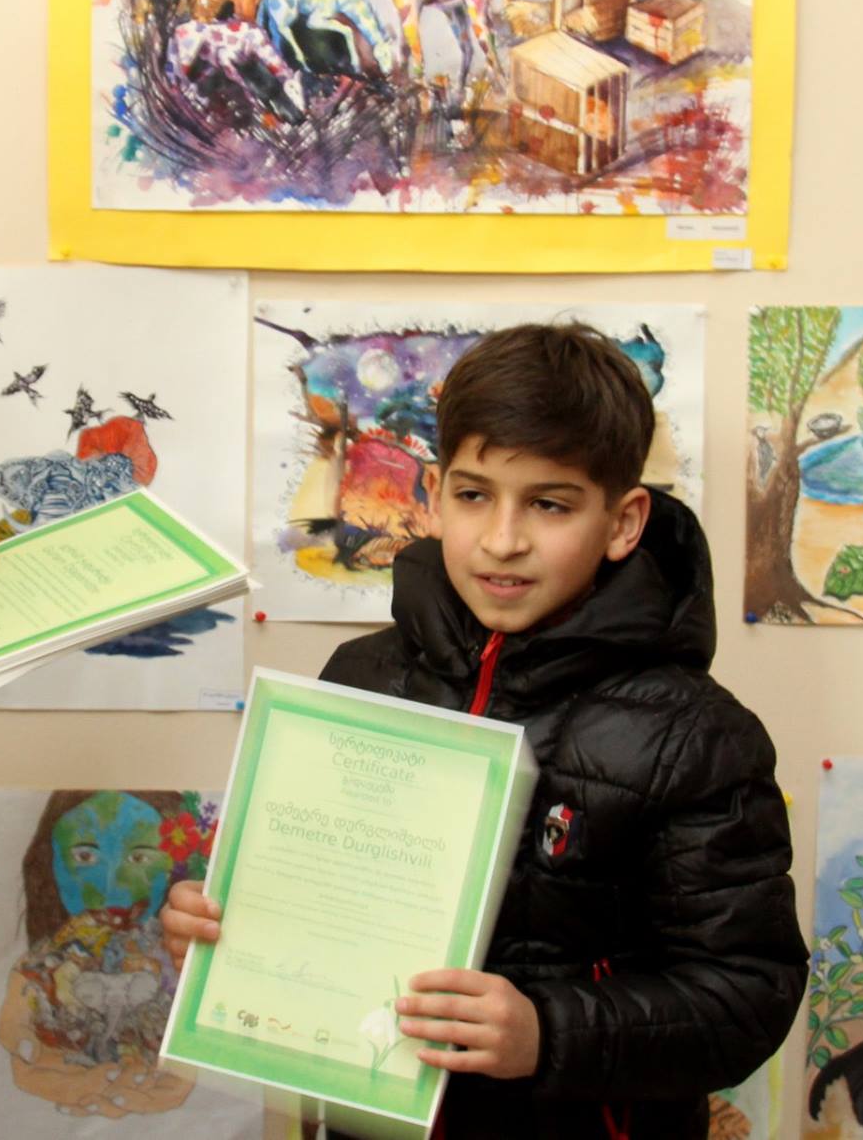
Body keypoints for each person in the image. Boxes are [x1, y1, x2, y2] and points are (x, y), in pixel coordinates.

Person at [162, 323, 807, 1139]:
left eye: (549, 503)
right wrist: (226, 931)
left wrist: (548, 1032)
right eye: (474, 495)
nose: (503, 539)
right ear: (433, 494)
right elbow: (318, 908)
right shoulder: (360, 678)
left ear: (623, 521)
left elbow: (746, 994)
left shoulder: (695, 737)